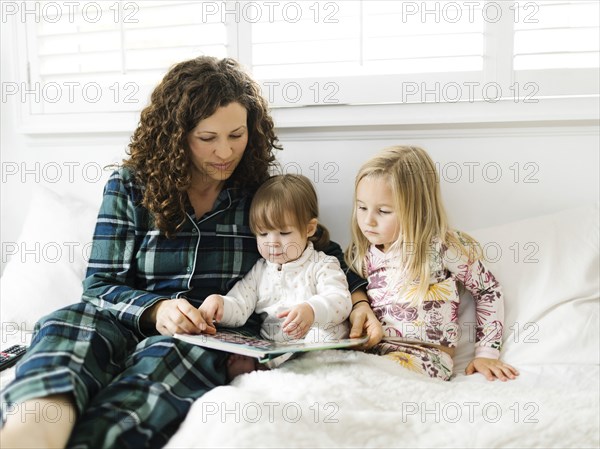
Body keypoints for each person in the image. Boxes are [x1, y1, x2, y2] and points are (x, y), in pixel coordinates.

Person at [0, 56, 378, 449]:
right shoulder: (130, 187)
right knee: (68, 329)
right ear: (177, 134)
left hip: (201, 333)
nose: (225, 152)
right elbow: (98, 285)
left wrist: (358, 299)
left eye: (237, 134)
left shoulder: (255, 193)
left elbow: (317, 249)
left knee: (161, 370)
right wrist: (157, 309)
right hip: (117, 319)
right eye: (207, 137)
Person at [345, 145, 520, 382]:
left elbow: (487, 290)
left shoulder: (440, 246)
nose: (368, 221)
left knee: (376, 381)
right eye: (362, 207)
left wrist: (487, 352)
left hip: (426, 356)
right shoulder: (362, 254)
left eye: (383, 211)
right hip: (375, 351)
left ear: (416, 209)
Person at [200, 174, 353, 378]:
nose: (272, 242)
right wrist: (219, 304)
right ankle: (266, 367)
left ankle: (305, 371)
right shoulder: (260, 271)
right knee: (252, 352)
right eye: (263, 234)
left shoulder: (322, 264)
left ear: (309, 228)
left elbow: (340, 300)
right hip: (276, 346)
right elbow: (240, 304)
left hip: (317, 339)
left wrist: (312, 310)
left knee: (319, 337)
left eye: (283, 233)